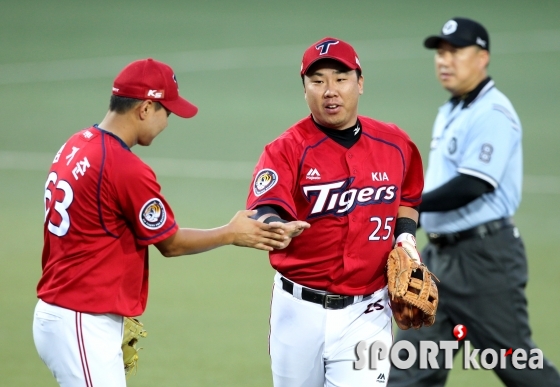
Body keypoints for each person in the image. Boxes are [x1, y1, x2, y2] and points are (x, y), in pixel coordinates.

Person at [33, 58, 295, 387]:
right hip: (81, 319)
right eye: (166, 112)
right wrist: (230, 232)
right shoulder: (123, 167)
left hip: (65, 312)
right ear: (145, 108)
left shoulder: (76, 144)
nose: (167, 122)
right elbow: (170, 244)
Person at [387, 17, 560, 387]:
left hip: (484, 260)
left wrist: (407, 204)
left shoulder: (493, 113)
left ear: (482, 57)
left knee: (520, 366)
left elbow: (472, 185)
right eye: (440, 52)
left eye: (455, 51)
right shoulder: (453, 109)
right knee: (409, 368)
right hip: (438, 261)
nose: (444, 60)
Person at [246, 37, 425, 387]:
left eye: (340, 78)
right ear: (305, 90)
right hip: (297, 311)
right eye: (318, 81)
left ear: (360, 82)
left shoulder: (395, 143)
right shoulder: (285, 150)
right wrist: (273, 225)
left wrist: (405, 238)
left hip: (368, 311)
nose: (330, 90)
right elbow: (266, 207)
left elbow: (410, 193)